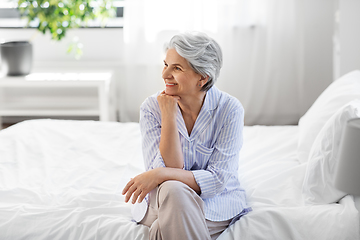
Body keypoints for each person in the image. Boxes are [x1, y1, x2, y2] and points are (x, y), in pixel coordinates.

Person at [122, 32, 251, 240]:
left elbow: (217, 180)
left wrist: (160, 174)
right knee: (173, 190)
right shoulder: (151, 108)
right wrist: (169, 116)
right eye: (166, 65)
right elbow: (164, 176)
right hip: (162, 200)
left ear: (202, 78)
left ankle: (164, 228)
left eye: (177, 68)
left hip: (215, 206)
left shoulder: (229, 109)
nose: (165, 75)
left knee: (161, 227)